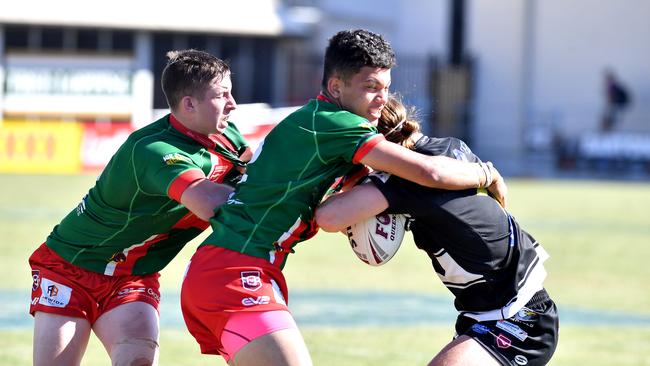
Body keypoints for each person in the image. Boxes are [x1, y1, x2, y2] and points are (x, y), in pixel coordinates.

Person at [180, 29, 508, 366]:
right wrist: (487, 174)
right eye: (370, 88)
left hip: (227, 269)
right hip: (236, 271)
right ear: (336, 87)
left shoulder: (315, 121)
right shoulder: (335, 124)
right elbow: (431, 173)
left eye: (386, 88)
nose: (382, 98)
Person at [28, 49, 252, 366]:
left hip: (132, 276)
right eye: (223, 95)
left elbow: (254, 172)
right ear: (189, 104)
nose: (233, 104)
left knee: (138, 361)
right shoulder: (154, 150)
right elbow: (209, 203)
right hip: (70, 267)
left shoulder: (226, 134)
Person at [315, 96, 559, 366]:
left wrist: (347, 182)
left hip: (515, 316)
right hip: (502, 308)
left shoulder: (404, 182)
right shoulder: (451, 147)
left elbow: (329, 217)